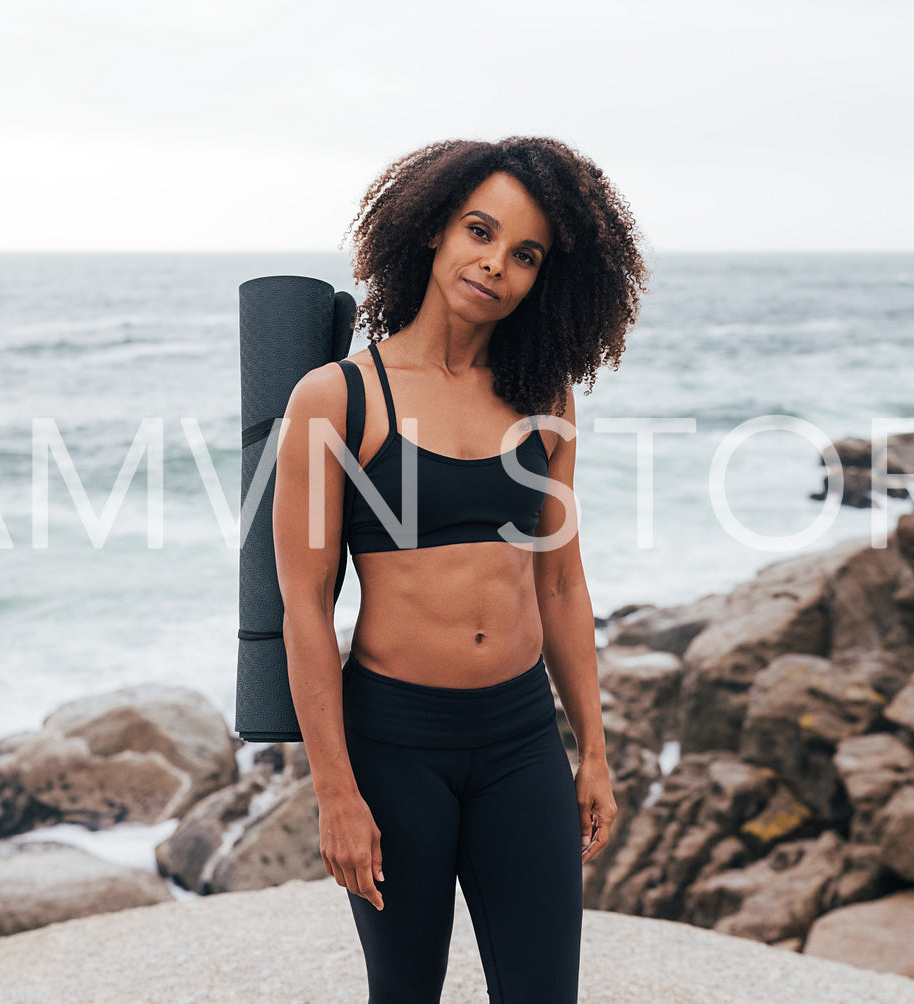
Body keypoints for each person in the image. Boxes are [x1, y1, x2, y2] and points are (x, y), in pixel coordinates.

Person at [272, 136, 651, 1003]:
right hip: (395, 745)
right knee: (405, 992)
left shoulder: (542, 397)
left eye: (524, 254)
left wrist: (591, 749)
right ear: (434, 231)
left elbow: (558, 583)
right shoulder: (339, 398)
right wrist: (334, 792)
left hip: (520, 739)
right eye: (480, 232)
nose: (495, 265)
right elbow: (304, 605)